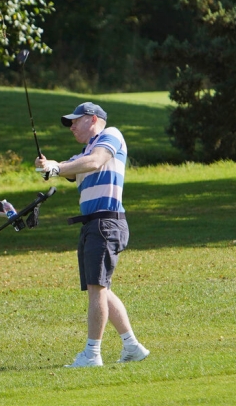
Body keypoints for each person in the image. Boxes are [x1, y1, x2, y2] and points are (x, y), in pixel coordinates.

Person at [35, 102, 150, 368]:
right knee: (100, 288)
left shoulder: (111, 135)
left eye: (76, 120)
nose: (72, 126)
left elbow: (96, 162)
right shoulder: (82, 155)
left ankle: (92, 354)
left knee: (96, 289)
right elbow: (71, 166)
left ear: (94, 119)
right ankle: (132, 346)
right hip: (93, 226)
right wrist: (49, 165)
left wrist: (57, 168)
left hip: (105, 224)